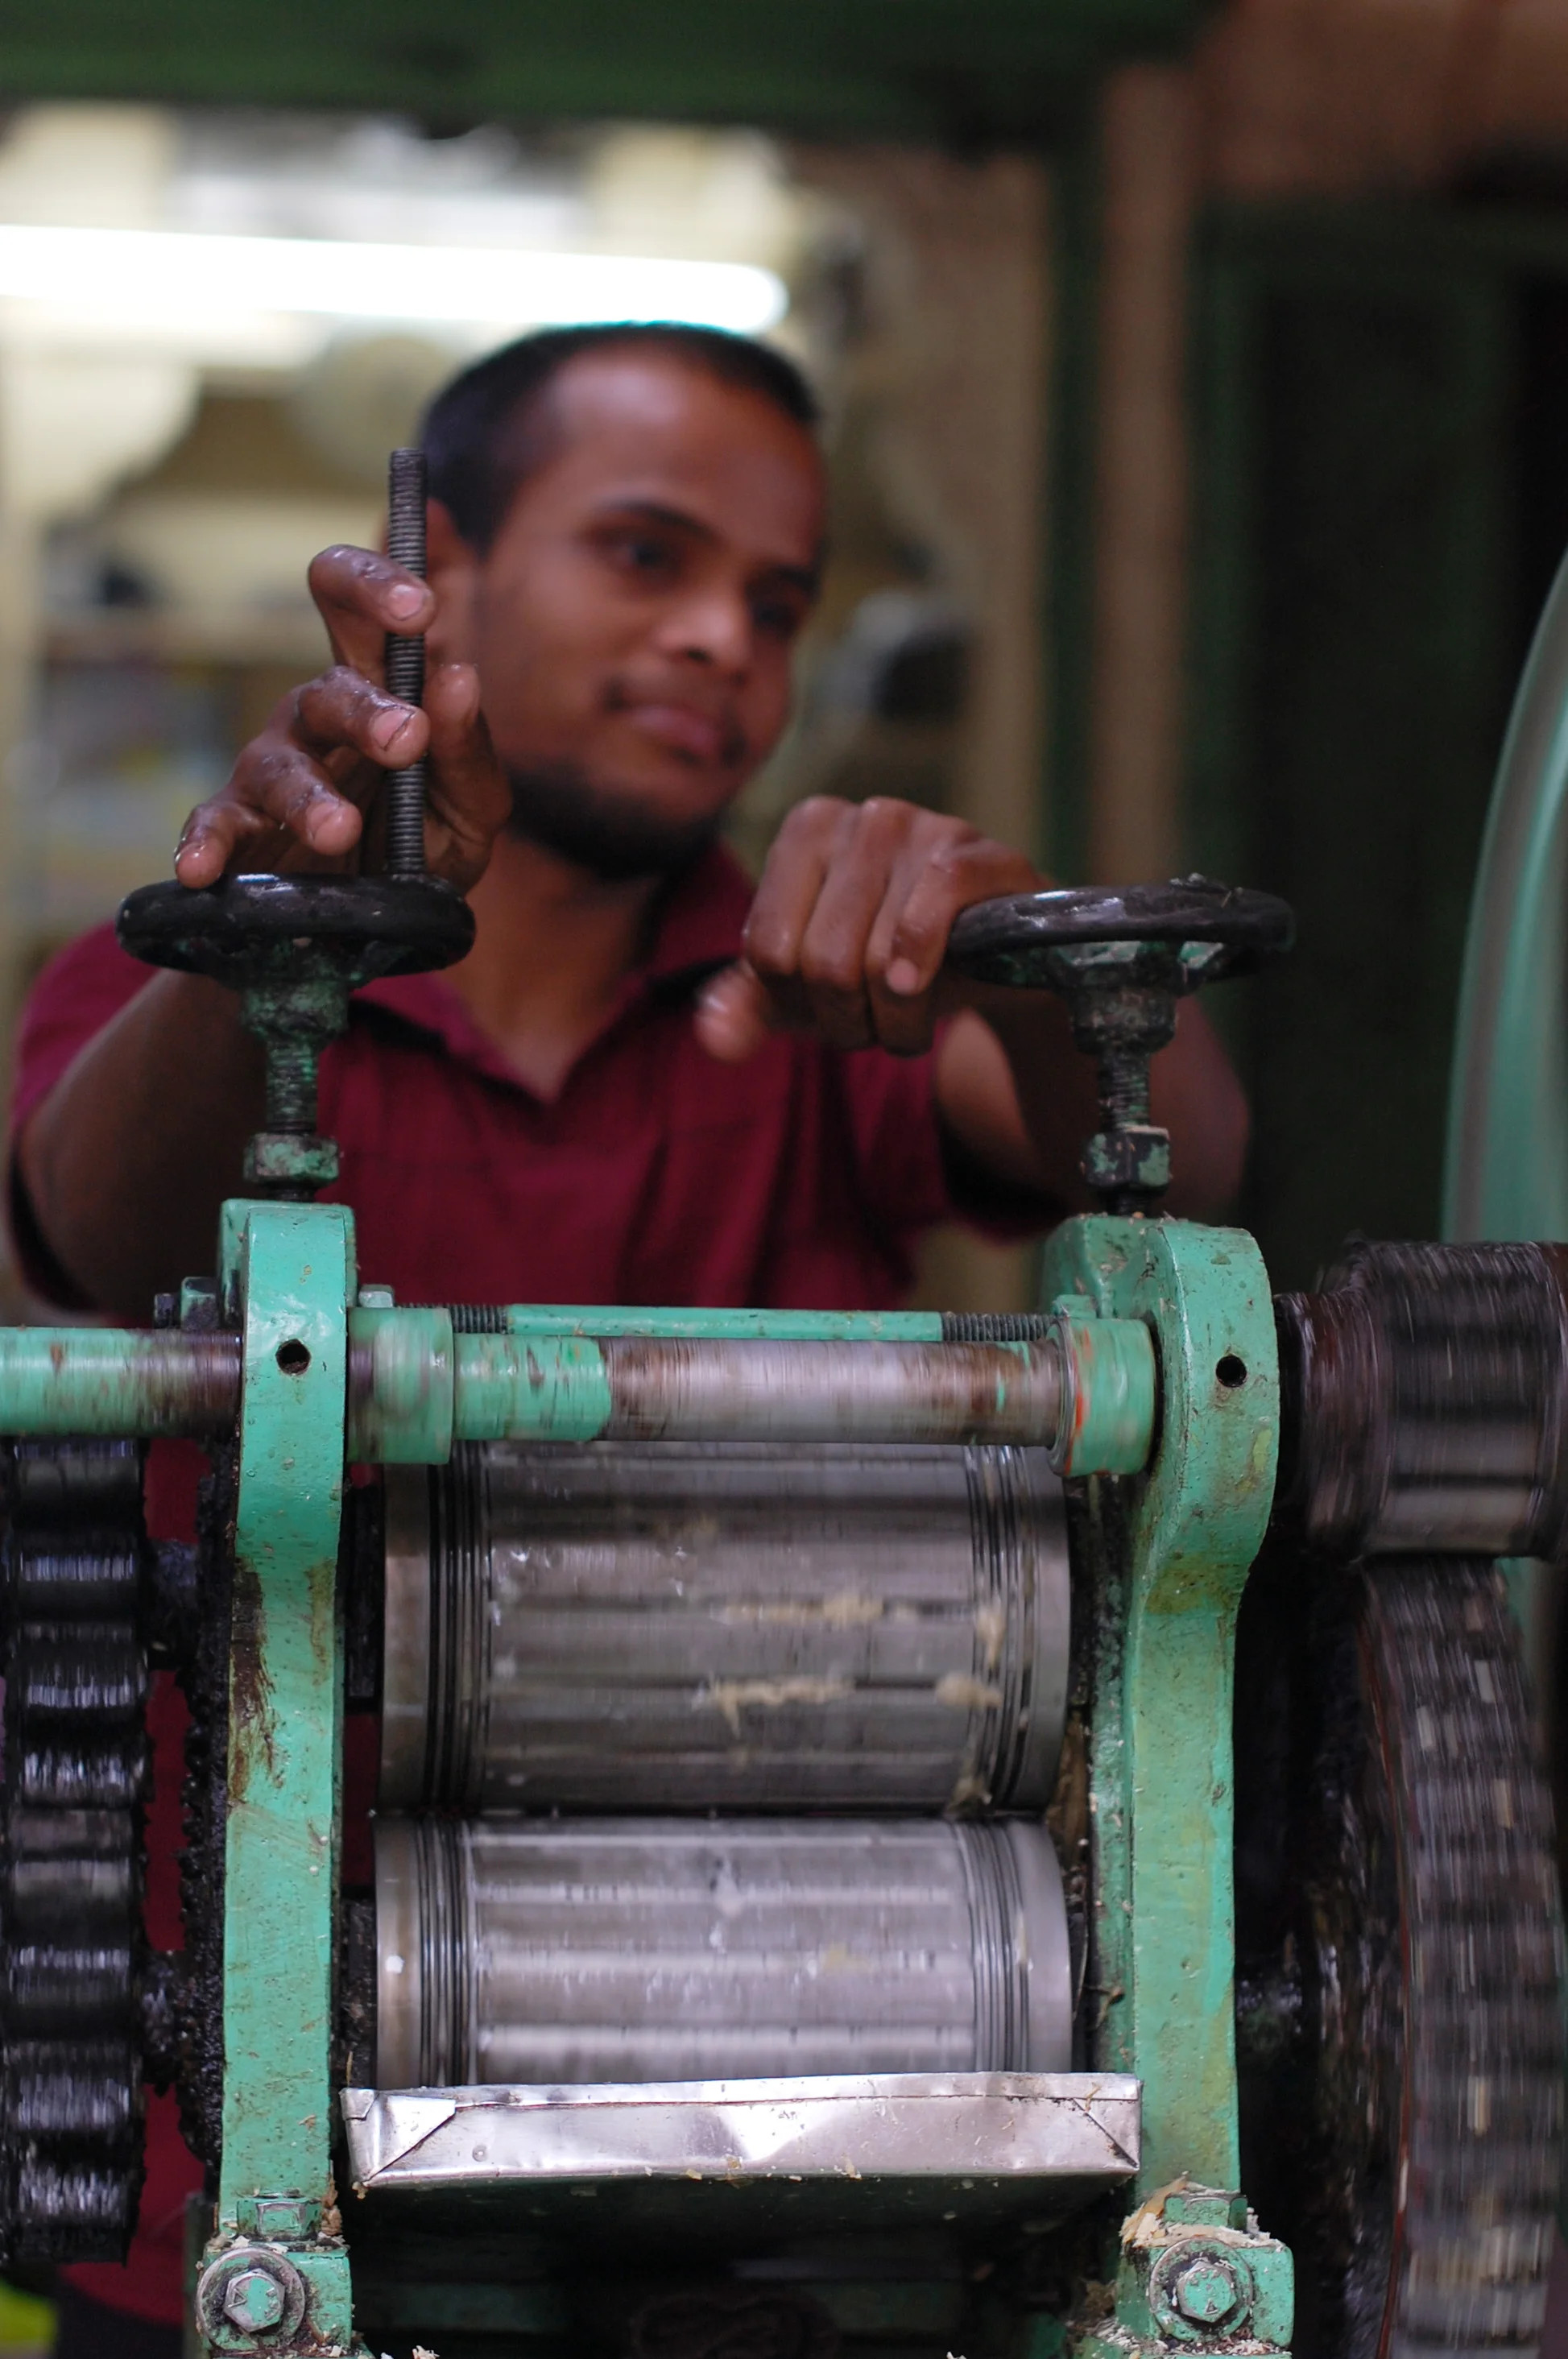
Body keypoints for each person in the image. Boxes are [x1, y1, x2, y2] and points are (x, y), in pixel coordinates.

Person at [8, 323, 1247, 2355]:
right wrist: (275, 939)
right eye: (645, 556)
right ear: (450, 583)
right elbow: (90, 1242)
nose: (721, 649)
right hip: (232, 2172)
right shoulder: (189, 999)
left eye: (773, 601)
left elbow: (1176, 1158)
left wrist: (1019, 945)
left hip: (757, 2171)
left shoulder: (815, 1016)